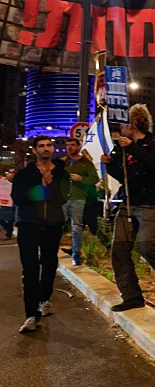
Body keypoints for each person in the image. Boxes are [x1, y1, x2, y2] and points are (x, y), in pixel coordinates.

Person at [101, 104, 155, 311]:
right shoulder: (125, 149)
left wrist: (131, 147)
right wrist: (110, 164)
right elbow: (125, 178)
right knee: (119, 250)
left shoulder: (153, 145)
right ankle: (131, 296)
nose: (121, 127)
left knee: (147, 246)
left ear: (133, 124)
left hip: (148, 204)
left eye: (124, 123)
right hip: (128, 204)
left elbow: (154, 165)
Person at [12, 136, 70, 333]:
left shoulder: (62, 173)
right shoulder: (24, 174)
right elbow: (19, 198)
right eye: (42, 146)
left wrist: (50, 185)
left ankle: (44, 298)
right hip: (28, 224)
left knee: (49, 265)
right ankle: (31, 315)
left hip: (52, 225)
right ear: (35, 150)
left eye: (49, 145)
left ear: (53, 149)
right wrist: (42, 187)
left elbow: (63, 198)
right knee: (29, 269)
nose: (46, 149)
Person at [61, 137, 100, 265]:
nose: (69, 147)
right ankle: (49, 251)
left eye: (72, 145)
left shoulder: (86, 163)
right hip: (63, 198)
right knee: (56, 226)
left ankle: (76, 254)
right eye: (67, 145)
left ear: (78, 146)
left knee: (77, 227)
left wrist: (81, 178)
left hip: (78, 198)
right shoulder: (62, 163)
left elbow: (94, 179)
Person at [0, 171, 14, 239]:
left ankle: (9, 233)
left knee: (10, 219)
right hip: (4, 204)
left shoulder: (12, 185)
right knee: (2, 219)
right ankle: (9, 231)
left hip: (11, 204)